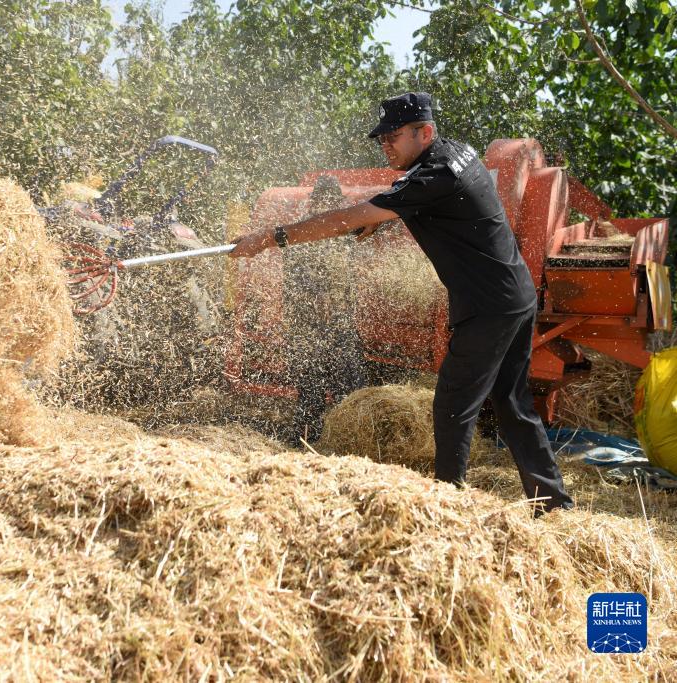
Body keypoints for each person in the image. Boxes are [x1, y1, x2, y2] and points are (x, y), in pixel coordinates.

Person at [230, 92, 574, 515]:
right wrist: (383, 221)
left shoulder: (431, 177)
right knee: (513, 404)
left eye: (393, 136)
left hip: (488, 306)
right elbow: (433, 205)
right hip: (514, 294)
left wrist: (270, 238)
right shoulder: (457, 154)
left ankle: (445, 505)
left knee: (452, 404)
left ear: (424, 132)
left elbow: (352, 216)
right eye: (381, 139)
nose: (385, 145)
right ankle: (554, 504)